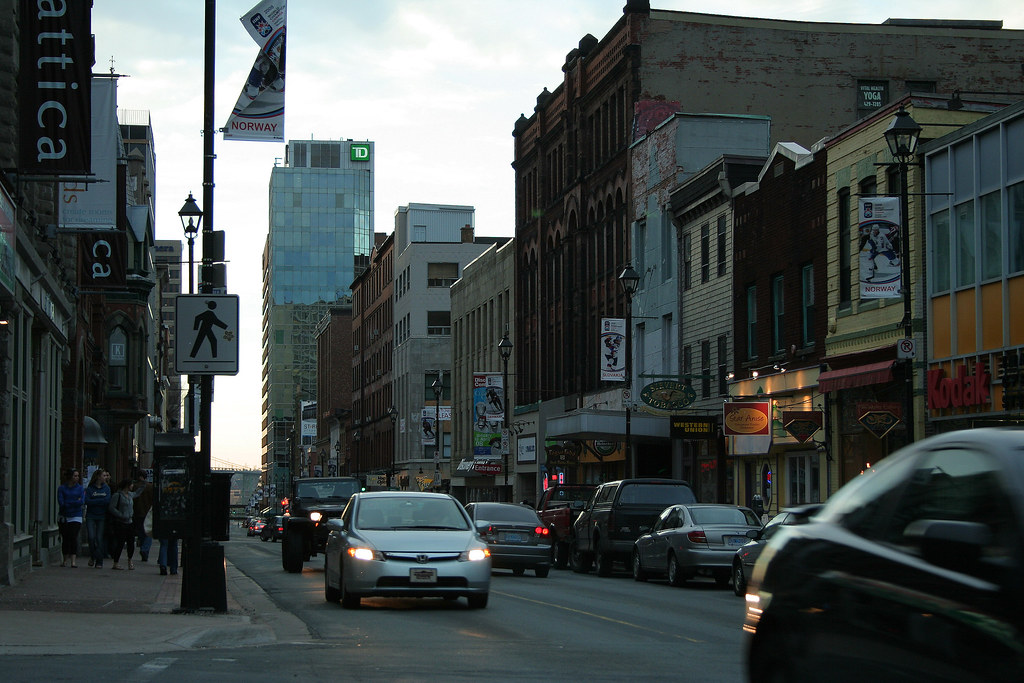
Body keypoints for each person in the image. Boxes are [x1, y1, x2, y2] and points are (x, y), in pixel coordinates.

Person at [57, 468, 85, 568]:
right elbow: (61, 503)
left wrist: (68, 502)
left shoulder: (80, 488)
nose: (77, 478)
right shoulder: (62, 488)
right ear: (70, 477)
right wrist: (74, 502)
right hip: (64, 516)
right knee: (66, 538)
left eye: (78, 476)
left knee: (73, 536)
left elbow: (81, 501)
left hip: (76, 516)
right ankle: (65, 559)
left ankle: (73, 560)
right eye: (75, 476)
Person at [84, 469, 111, 568]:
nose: (106, 477)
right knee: (91, 537)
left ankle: (99, 561)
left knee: (99, 538)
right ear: (98, 477)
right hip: (91, 515)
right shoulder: (90, 488)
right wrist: (100, 501)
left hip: (101, 516)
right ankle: (93, 555)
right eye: (104, 476)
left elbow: (107, 501)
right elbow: (87, 501)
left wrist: (95, 500)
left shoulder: (106, 488)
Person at [107, 478, 136, 570]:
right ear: (127, 485)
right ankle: (116, 562)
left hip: (130, 522)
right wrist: (121, 515)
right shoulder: (117, 495)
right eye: (131, 484)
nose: (132, 486)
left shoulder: (130, 495)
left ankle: (130, 560)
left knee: (131, 542)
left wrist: (144, 483)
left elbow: (138, 493)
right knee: (120, 542)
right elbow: (111, 508)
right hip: (121, 522)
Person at [130, 471, 154, 562]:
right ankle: (145, 549)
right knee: (148, 532)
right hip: (148, 512)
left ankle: (143, 547)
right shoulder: (150, 487)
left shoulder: (134, 486)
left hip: (137, 512)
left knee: (141, 531)